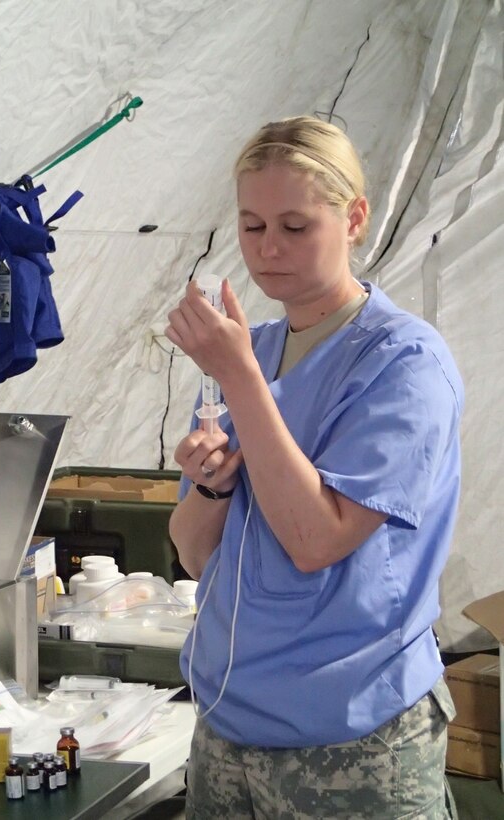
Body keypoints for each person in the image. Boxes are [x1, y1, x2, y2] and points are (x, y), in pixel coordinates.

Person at [164, 115, 463, 819]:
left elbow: (315, 540)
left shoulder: (403, 363)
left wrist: (238, 380)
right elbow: (193, 552)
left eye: (295, 227)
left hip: (350, 740)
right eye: (251, 226)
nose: (268, 250)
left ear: (353, 217)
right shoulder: (253, 349)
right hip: (228, 724)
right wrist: (210, 482)